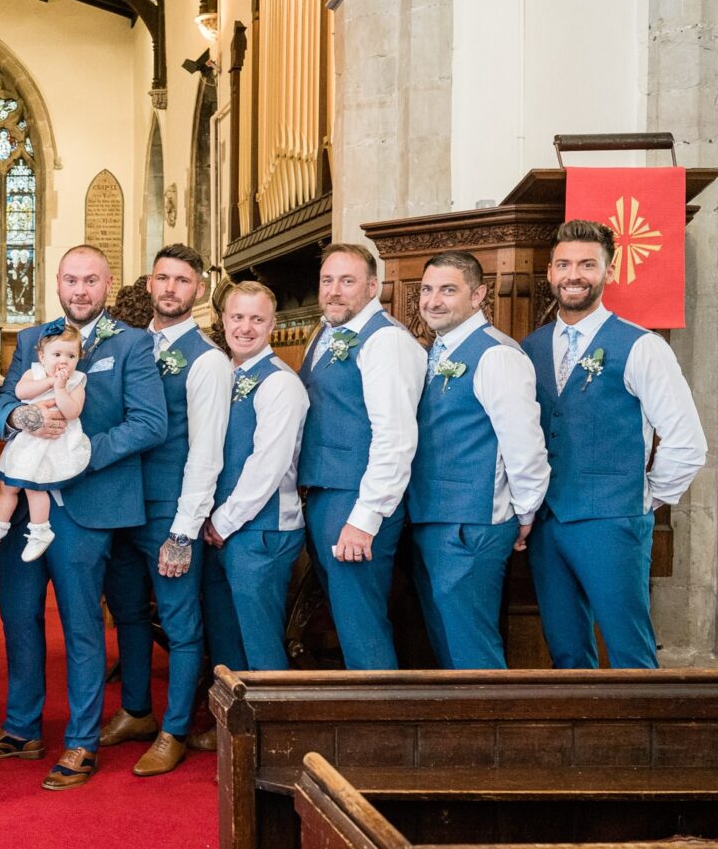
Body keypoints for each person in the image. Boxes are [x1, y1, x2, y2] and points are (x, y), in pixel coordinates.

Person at [0, 245, 166, 791]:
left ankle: (80, 741)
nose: (80, 290)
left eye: (91, 280)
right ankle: (23, 727)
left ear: (109, 283)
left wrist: (77, 455)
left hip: (88, 502)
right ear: (57, 281)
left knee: (80, 624)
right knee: (18, 613)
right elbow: (4, 401)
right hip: (27, 495)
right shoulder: (33, 338)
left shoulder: (132, 344)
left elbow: (149, 423)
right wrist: (20, 415)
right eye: (72, 279)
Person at [521, 220, 707, 668]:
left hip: (614, 520)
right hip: (548, 522)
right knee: (565, 648)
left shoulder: (641, 347)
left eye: (588, 264)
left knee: (628, 646)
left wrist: (644, 497)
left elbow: (687, 441)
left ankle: (649, 736)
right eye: (564, 264)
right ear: (549, 273)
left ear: (610, 271)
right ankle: (583, 737)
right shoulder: (530, 347)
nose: (574, 274)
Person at [97, 244, 230, 777]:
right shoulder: (123, 345)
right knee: (127, 611)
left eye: (182, 280)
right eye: (162, 278)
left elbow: (207, 451)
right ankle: (136, 710)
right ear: (149, 285)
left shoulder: (208, 361)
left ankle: (175, 728)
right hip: (118, 500)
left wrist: (183, 529)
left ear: (197, 290)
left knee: (179, 620)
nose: (171, 288)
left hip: (168, 509)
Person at [409, 251, 549, 669]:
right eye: (427, 290)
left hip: (472, 522)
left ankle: (496, 732)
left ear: (479, 295)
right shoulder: (433, 352)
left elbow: (524, 444)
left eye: (448, 290)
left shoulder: (496, 355)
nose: (433, 300)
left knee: (473, 649)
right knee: (447, 644)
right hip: (432, 516)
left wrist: (525, 510)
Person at [297, 244, 424, 670]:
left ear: (374, 287)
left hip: (355, 499)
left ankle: (380, 732)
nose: (334, 291)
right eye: (327, 281)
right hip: (324, 494)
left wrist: (365, 517)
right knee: (349, 617)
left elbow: (396, 437)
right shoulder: (326, 332)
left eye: (347, 281)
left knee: (361, 623)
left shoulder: (385, 340)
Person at [201, 281, 309, 671]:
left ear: (272, 324)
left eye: (257, 319)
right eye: (238, 317)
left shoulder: (280, 382)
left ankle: (274, 731)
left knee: (259, 644)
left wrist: (223, 521)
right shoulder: (222, 373)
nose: (245, 327)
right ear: (224, 320)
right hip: (220, 528)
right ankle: (232, 728)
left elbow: (269, 464)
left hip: (261, 531)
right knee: (226, 638)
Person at [0, 323, 89, 562]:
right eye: (57, 355)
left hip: (54, 445)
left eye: (71, 356)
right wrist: (49, 382)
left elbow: (72, 411)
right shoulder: (35, 373)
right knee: (8, 487)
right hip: (27, 442)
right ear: (42, 356)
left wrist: (60, 388)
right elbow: (21, 392)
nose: (64, 361)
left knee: (34, 487)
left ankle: (40, 531)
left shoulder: (77, 381)